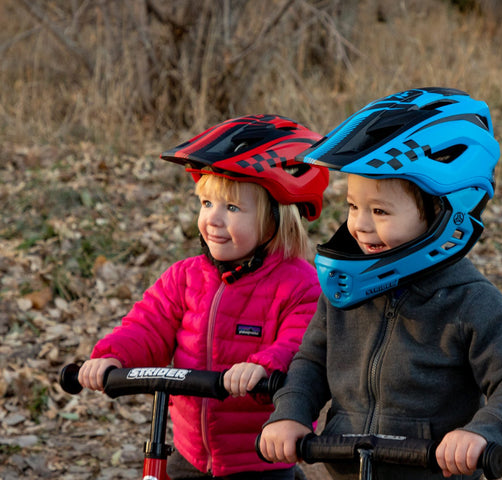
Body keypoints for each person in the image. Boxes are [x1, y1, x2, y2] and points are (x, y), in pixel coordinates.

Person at [258, 88, 502, 479]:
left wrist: (483, 432)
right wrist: (290, 412)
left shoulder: (469, 301)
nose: (359, 224)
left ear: (444, 211)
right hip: (347, 467)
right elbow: (312, 361)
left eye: (380, 210)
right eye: (353, 207)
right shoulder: (343, 290)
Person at [78, 114, 329, 479]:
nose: (212, 219)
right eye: (206, 204)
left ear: (277, 217)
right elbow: (147, 325)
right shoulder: (184, 277)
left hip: (259, 461)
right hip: (190, 455)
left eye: (231, 208)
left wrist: (262, 365)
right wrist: (112, 356)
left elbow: (301, 344)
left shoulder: (299, 285)